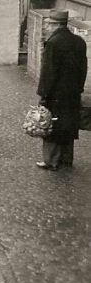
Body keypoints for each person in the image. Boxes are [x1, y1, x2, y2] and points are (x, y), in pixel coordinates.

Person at [36, 9, 87, 170]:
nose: (46, 28)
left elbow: (48, 72)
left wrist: (43, 94)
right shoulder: (79, 42)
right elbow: (83, 69)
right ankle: (66, 158)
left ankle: (51, 160)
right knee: (69, 125)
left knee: (51, 125)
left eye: (48, 24)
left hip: (56, 94)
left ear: (55, 25)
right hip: (72, 93)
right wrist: (78, 88)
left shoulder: (53, 43)